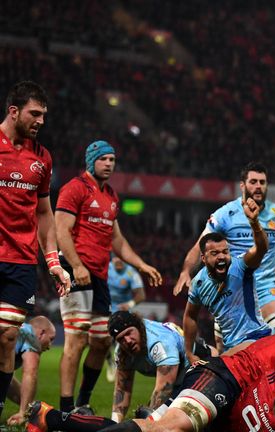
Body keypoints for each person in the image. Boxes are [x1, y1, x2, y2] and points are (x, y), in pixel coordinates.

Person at [26, 330, 275, 432]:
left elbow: (244, 347)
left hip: (221, 377)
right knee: (165, 429)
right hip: (224, 380)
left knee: (148, 426)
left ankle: (51, 418)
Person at [56, 140, 162, 414]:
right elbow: (61, 229)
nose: (109, 164)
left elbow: (118, 240)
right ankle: (66, 407)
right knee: (76, 339)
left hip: (99, 277)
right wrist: (77, 266)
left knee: (102, 340)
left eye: (112, 160)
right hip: (74, 269)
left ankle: (82, 402)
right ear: (91, 160)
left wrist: (141, 265)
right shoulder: (75, 188)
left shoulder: (112, 196)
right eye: (104, 159)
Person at [0, 80, 70, 419]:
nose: (41, 121)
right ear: (14, 111)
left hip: (20, 261)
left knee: (8, 335)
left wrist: (54, 262)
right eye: (35, 113)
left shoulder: (42, 157)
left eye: (44, 115)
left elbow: (44, 213)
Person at [175, 162, 275, 333]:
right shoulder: (225, 214)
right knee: (228, 350)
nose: (258, 186)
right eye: (253, 182)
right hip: (233, 290)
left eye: (262, 182)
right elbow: (200, 246)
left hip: (266, 287)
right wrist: (186, 271)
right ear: (242, 185)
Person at [183, 197, 272, 360]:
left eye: (225, 252)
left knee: (218, 367)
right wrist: (189, 353)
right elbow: (190, 316)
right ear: (203, 258)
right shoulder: (198, 283)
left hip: (257, 337)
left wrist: (254, 223)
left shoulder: (240, 266)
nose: (222, 257)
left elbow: (261, 249)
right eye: (215, 253)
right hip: (232, 347)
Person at [107, 311, 216, 423]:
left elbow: (164, 389)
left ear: (138, 327)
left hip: (206, 365)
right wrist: (115, 423)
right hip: (180, 374)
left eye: (129, 333)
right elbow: (123, 390)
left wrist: (146, 421)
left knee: (175, 421)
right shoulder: (122, 353)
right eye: (121, 339)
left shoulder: (160, 342)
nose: (127, 341)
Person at [4, 316, 55, 426]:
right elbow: (30, 372)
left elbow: (6, 381)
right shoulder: (30, 336)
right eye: (51, 339)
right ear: (41, 333)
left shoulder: (18, 330)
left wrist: (29, 408)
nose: (50, 346)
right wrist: (23, 414)